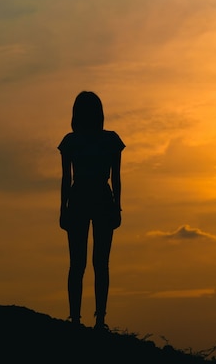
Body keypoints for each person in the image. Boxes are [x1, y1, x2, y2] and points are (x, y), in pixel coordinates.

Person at [58, 91, 125, 330]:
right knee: (99, 264)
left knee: (78, 264)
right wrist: (117, 206)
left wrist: (62, 210)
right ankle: (99, 319)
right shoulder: (110, 141)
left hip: (79, 199)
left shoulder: (71, 141)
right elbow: (116, 179)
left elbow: (66, 180)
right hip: (100, 198)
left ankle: (77, 318)